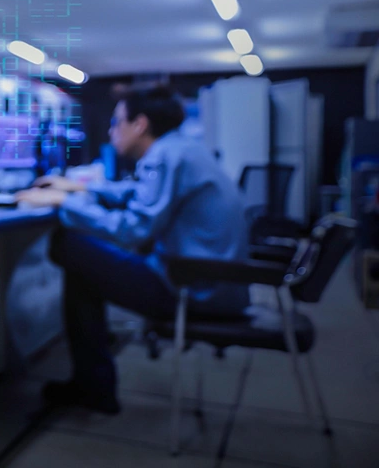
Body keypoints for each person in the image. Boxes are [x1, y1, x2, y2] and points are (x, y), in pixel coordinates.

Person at [14, 85, 251, 414]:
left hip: (191, 290)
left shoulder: (165, 156)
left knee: (67, 244)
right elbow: (139, 194)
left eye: (116, 123)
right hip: (216, 284)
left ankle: (94, 385)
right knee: (85, 271)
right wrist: (82, 188)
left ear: (139, 125)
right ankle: (93, 386)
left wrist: (66, 200)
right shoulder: (181, 149)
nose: (112, 131)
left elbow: (133, 230)